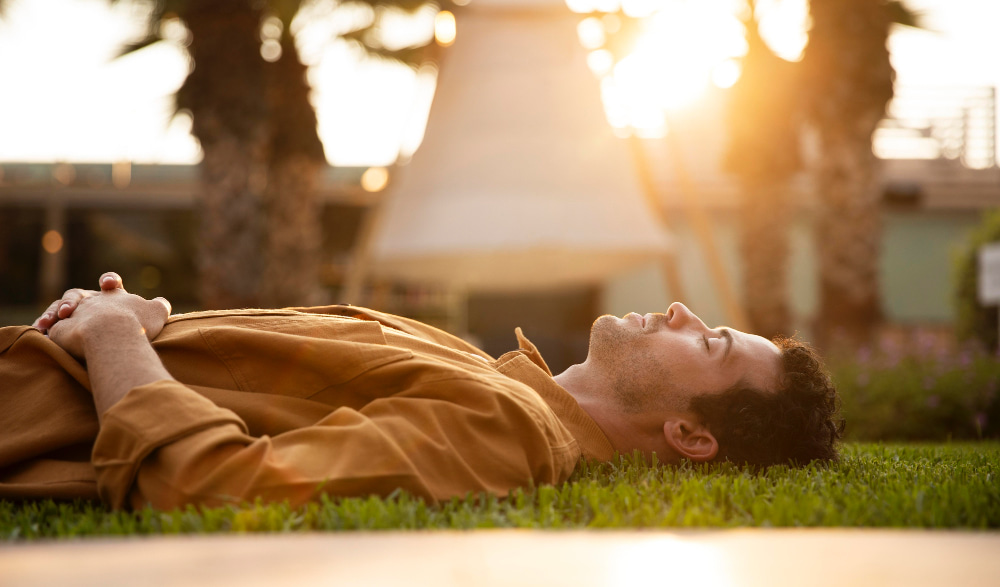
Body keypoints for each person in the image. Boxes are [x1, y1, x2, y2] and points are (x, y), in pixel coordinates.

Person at [0, 272, 841, 510]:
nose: (683, 310)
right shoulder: (485, 372)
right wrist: (144, 319)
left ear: (693, 436)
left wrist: (110, 332)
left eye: (713, 339)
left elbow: (209, 484)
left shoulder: (507, 425)